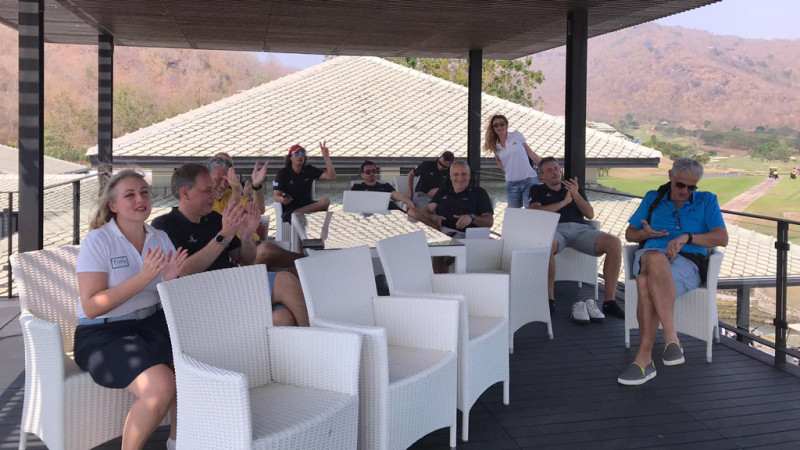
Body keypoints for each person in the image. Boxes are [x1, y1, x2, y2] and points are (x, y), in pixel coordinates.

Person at [76, 170, 188, 450]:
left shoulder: (160, 237)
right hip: (104, 334)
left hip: (152, 323)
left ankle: (178, 442)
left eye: (144, 192)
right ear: (113, 205)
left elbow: (165, 295)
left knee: (193, 369)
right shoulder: (98, 241)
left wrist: (170, 281)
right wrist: (143, 277)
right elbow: (91, 306)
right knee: (160, 387)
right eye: (130, 195)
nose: (140, 199)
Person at [152, 163, 310, 327]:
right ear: (185, 193)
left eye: (213, 189)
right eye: (207, 190)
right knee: (285, 281)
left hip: (231, 286)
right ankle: (314, 339)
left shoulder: (214, 218)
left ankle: (298, 342)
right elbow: (183, 271)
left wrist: (247, 236)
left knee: (282, 318)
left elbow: (246, 259)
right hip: (204, 297)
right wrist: (223, 236)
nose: (214, 195)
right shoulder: (165, 225)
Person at [618, 157, 728, 385]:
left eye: (691, 187)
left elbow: (721, 237)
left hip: (687, 261)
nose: (685, 191)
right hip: (649, 255)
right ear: (670, 176)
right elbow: (630, 234)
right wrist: (645, 234)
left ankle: (643, 360)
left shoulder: (707, 200)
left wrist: (688, 237)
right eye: (680, 185)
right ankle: (671, 337)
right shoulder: (653, 198)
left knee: (644, 283)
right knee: (654, 258)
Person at [529, 157, 625, 321]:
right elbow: (536, 212)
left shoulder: (573, 188)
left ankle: (609, 301)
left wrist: (575, 194)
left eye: (556, 168)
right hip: (555, 230)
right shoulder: (537, 190)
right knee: (547, 244)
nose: (554, 173)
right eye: (549, 170)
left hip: (581, 230)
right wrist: (564, 202)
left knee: (614, 243)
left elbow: (590, 214)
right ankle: (549, 299)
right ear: (542, 175)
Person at [206, 156, 303, 269]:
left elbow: (259, 210)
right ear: (206, 177)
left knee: (291, 269)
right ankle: (308, 262)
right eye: (218, 179)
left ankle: (307, 263)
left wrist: (256, 186)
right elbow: (219, 223)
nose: (223, 185)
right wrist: (236, 192)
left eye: (227, 180)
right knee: (266, 251)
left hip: (251, 246)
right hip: (232, 255)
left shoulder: (228, 194)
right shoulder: (204, 199)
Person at [484, 114, 543, 208]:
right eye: (496, 125)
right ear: (493, 128)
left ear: (507, 125)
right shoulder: (495, 144)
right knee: (513, 212)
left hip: (528, 179)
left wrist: (546, 166)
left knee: (531, 209)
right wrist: (508, 170)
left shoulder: (516, 135)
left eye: (502, 124)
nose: (499, 127)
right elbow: (498, 160)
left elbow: (530, 153)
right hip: (511, 183)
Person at [273, 142, 336, 223]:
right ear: (290, 157)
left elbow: (331, 176)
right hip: (291, 207)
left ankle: (296, 214)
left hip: (307, 205)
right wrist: (283, 199)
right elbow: (276, 196)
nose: (300, 156)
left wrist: (326, 157)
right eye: (296, 154)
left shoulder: (309, 169)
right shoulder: (283, 173)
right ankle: (294, 214)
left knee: (326, 201)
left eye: (302, 154)